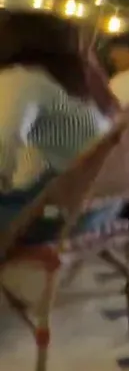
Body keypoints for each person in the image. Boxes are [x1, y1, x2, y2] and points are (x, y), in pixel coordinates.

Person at [0, 12, 115, 240]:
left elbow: (3, 145)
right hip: (98, 210)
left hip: (56, 218)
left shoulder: (24, 78)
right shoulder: (75, 86)